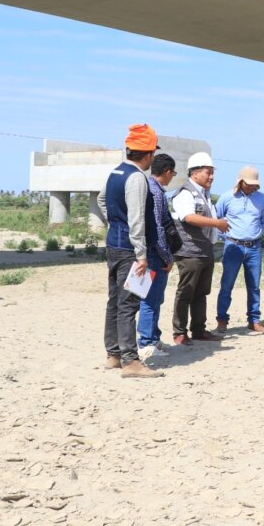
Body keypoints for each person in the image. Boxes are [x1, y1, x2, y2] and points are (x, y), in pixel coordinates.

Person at [96, 124, 164, 379]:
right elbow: (137, 220)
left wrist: (114, 221)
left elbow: (102, 199)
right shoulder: (136, 178)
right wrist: (142, 254)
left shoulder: (116, 171)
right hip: (129, 250)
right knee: (128, 304)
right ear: (147, 154)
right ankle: (130, 361)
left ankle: (113, 354)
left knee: (114, 301)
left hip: (114, 244)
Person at [170, 151, 228, 344]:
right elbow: (189, 217)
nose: (211, 176)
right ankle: (179, 332)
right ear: (194, 173)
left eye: (212, 173)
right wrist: (217, 223)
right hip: (189, 253)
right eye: (207, 172)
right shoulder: (185, 193)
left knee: (201, 293)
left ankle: (198, 330)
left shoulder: (205, 194)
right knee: (186, 292)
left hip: (204, 251)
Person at [215, 166, 264, 334]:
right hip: (232, 247)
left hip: (254, 248)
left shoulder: (261, 199)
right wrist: (225, 238)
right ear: (240, 181)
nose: (251, 186)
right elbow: (217, 218)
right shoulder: (227, 197)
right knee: (227, 285)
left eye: (254, 184)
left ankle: (254, 320)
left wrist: (257, 234)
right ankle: (222, 320)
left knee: (254, 285)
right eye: (248, 183)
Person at [137, 153, 178, 361]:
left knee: (154, 299)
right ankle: (146, 343)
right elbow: (158, 229)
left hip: (150, 252)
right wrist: (167, 257)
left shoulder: (149, 187)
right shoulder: (156, 192)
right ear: (168, 171)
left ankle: (153, 337)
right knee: (150, 300)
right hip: (154, 255)